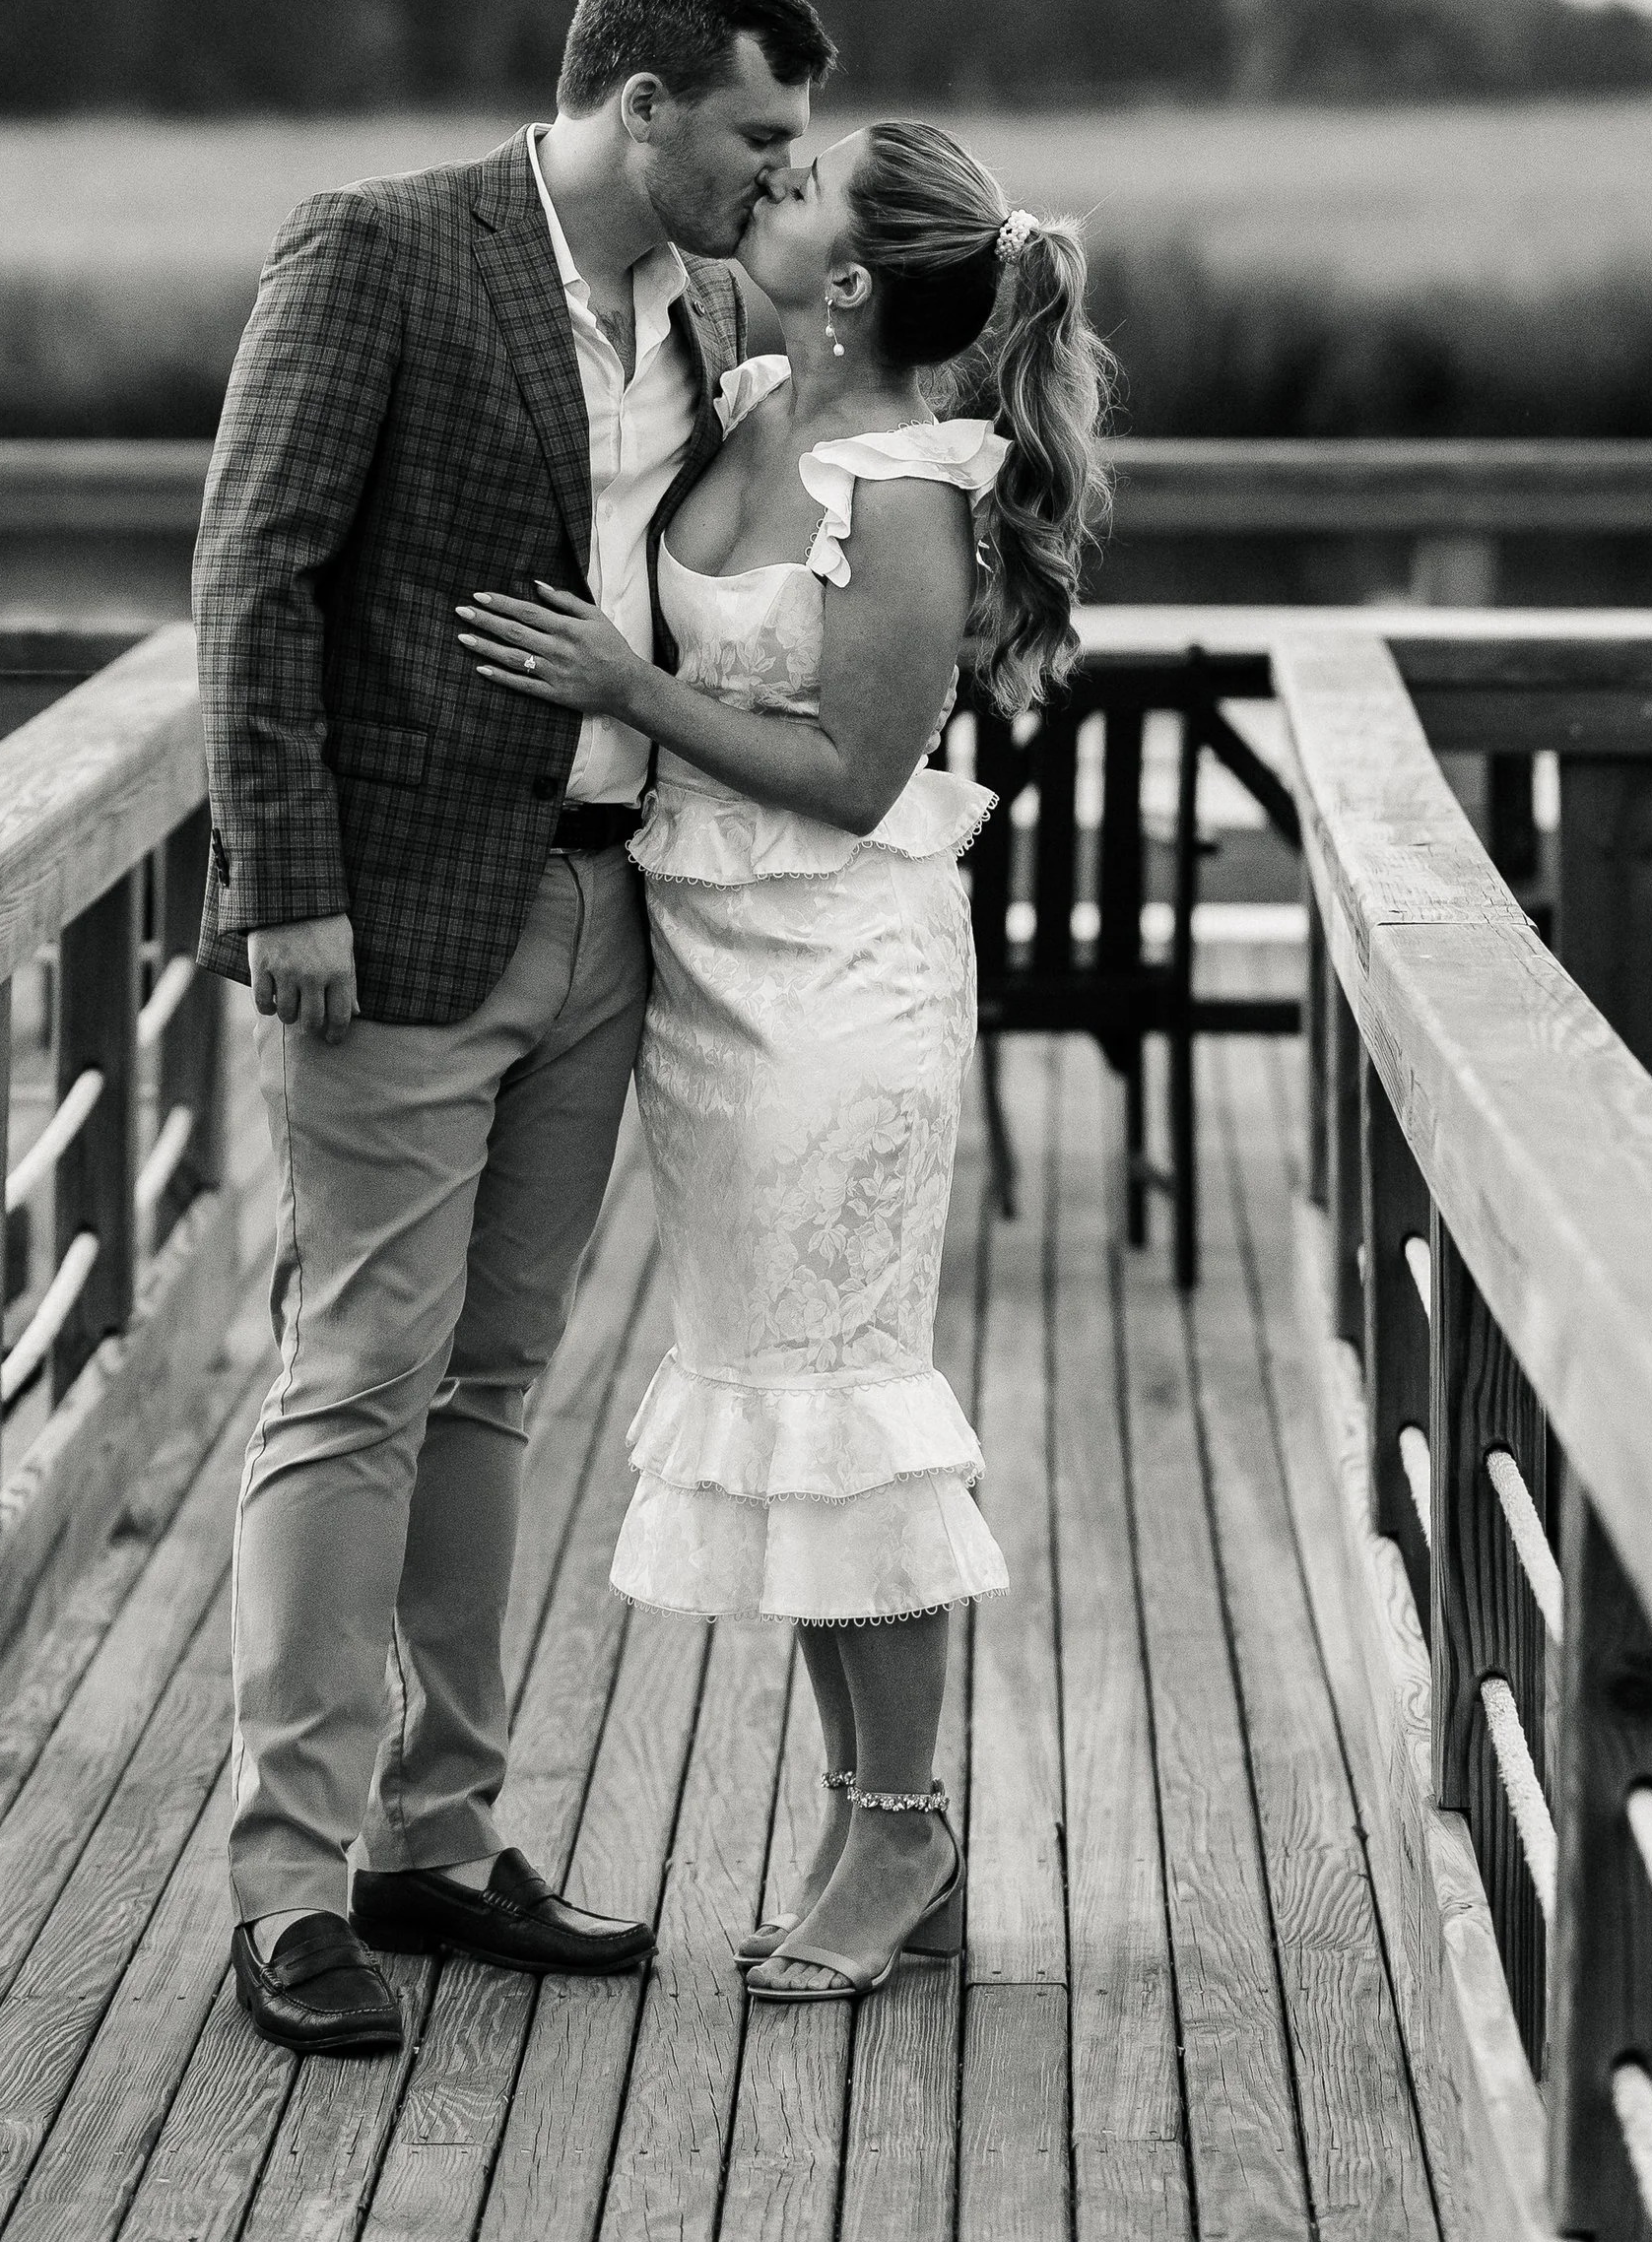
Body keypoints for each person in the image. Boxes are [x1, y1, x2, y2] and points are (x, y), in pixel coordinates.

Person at [194, 0, 834, 2056]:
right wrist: (283, 884)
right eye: (754, 132)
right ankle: (286, 1884)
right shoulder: (380, 250)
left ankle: (436, 1842)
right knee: (355, 1375)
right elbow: (254, 571)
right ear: (639, 105)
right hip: (385, 923)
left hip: (603, 923)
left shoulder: (708, 314)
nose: (777, 171)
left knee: (494, 1387)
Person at [459, 119, 1112, 2004]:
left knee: (845, 1404)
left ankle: (904, 1820)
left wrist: (630, 689)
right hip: (707, 989)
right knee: (777, 1403)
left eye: (805, 188)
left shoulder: (905, 487)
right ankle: (876, 1816)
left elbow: (852, 774)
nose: (774, 184)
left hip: (840, 994)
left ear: (847, 284)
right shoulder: (739, 399)